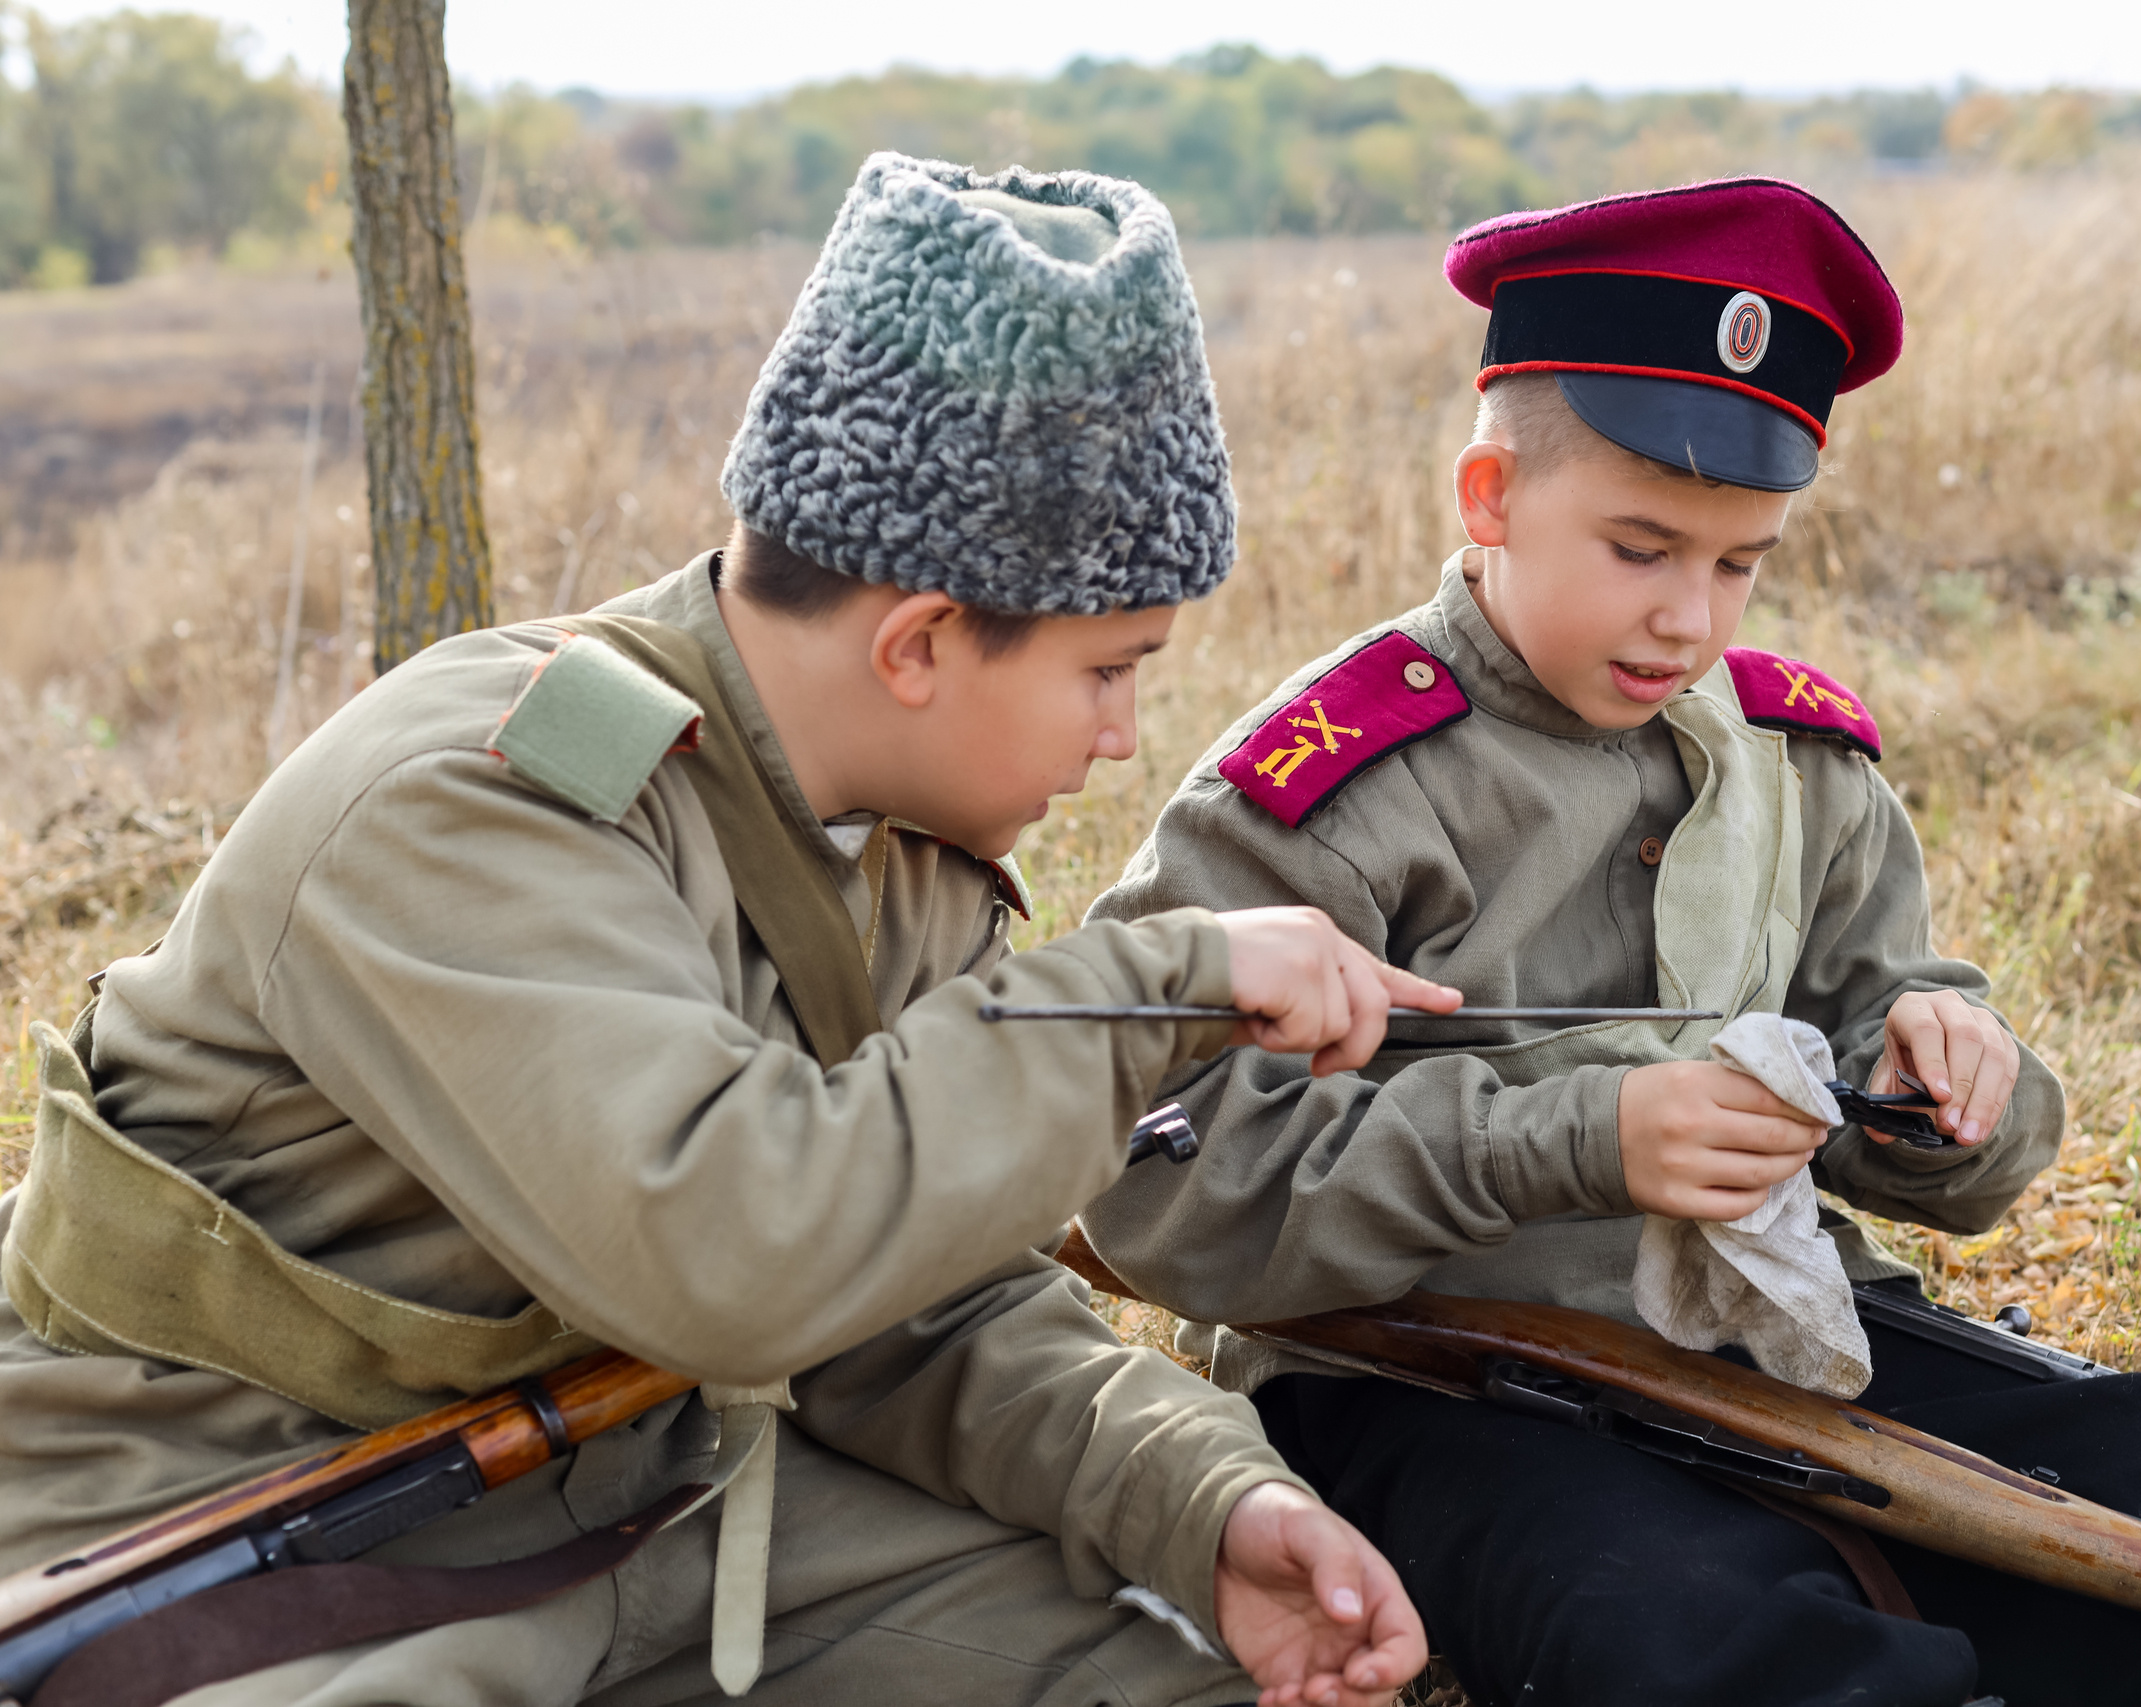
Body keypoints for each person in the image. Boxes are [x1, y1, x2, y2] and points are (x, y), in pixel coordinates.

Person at [0, 154, 1447, 1707]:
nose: (1122, 736)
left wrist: (1203, 1501)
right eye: (1110, 671)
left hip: (653, 1494)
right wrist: (1169, 980)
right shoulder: (477, 808)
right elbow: (736, 1251)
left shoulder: (898, 848)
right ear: (920, 645)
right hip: (255, 1525)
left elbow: (921, 1301)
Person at [1079, 178, 2141, 1707]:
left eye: (1739, 559)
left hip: (1793, 1343)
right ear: (1487, 500)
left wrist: (1955, 1084)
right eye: (1639, 547)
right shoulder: (1321, 790)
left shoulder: (1796, 759)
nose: (1691, 618)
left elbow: (1908, 1060)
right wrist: (1573, 1144)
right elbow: (1159, 1185)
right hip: (1425, 1380)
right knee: (1705, 1643)